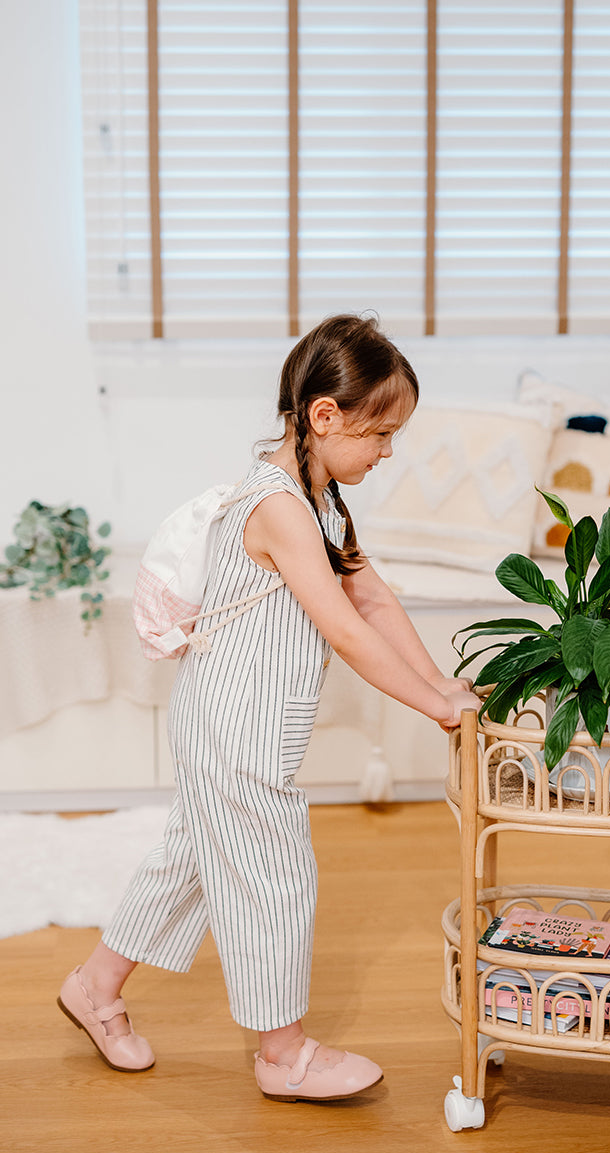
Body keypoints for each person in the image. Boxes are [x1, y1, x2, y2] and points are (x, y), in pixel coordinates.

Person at [58, 314, 481, 1103]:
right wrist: (432, 706)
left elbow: (372, 596)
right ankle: (282, 1054)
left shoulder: (318, 500)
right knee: (274, 877)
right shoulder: (278, 507)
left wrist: (444, 684)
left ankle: (94, 987)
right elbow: (346, 632)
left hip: (242, 722)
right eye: (380, 434)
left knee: (191, 860)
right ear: (325, 417)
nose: (388, 452)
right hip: (234, 726)